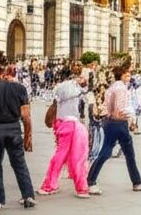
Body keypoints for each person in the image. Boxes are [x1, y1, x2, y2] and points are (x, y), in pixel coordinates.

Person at [86, 66, 141, 195]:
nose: (129, 77)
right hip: (118, 123)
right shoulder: (122, 89)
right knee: (114, 153)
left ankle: (136, 181)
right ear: (121, 76)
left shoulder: (111, 88)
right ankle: (91, 181)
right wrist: (125, 117)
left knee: (114, 152)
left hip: (109, 122)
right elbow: (119, 109)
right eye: (127, 75)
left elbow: (107, 107)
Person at [0, 64, 37, 210]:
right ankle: (28, 195)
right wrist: (28, 136)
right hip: (13, 128)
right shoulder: (20, 89)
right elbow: (26, 116)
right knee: (19, 163)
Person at [38, 63, 90, 198]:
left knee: (60, 155)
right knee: (78, 156)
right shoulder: (76, 88)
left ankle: (49, 184)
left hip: (62, 123)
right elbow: (85, 94)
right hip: (73, 123)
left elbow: (57, 101)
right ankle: (81, 187)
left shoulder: (60, 87)